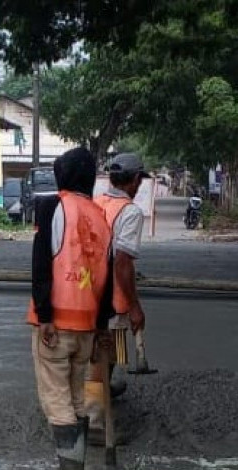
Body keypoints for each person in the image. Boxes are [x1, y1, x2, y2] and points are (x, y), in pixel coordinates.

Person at [27, 147, 113, 470]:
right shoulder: (100, 217)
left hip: (56, 324)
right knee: (77, 396)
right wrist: (103, 328)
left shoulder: (53, 206)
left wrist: (45, 314)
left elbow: (41, 263)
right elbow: (106, 281)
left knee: (56, 398)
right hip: (88, 326)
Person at [85, 153, 147, 445]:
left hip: (89, 290)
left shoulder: (96, 204)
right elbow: (122, 260)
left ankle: (114, 381)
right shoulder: (130, 212)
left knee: (107, 348)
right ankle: (95, 424)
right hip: (113, 295)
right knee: (103, 359)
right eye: (139, 181)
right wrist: (136, 305)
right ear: (134, 181)